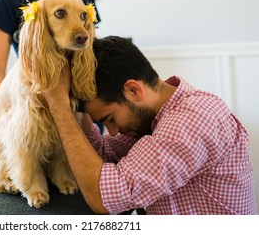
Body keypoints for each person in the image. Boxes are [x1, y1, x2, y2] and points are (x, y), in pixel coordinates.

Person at [42, 36, 257, 215]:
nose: (113, 132)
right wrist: (71, 98)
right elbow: (101, 153)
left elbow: (102, 197)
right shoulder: (153, 119)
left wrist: (58, 105)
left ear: (134, 90)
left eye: (110, 119)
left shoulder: (191, 119)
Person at [0, 0, 100, 98]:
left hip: (75, 96)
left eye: (83, 16)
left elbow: (91, 52)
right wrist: (6, 108)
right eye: (60, 13)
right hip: (31, 93)